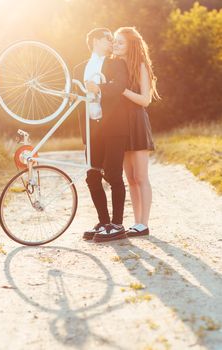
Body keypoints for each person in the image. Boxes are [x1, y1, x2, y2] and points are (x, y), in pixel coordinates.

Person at [73, 28, 129, 242]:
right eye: (108, 39)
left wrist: (99, 87)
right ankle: (104, 222)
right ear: (96, 40)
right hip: (92, 129)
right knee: (92, 175)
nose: (112, 42)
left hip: (114, 127)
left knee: (114, 174)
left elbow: (120, 86)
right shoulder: (79, 69)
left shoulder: (116, 64)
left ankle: (117, 224)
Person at [113, 26, 160, 237]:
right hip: (121, 124)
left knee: (141, 177)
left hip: (137, 123)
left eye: (120, 42)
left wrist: (121, 90)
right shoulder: (115, 66)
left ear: (131, 45)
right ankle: (136, 222)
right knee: (130, 177)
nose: (115, 45)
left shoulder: (141, 65)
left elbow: (145, 100)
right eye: (114, 41)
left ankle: (144, 223)